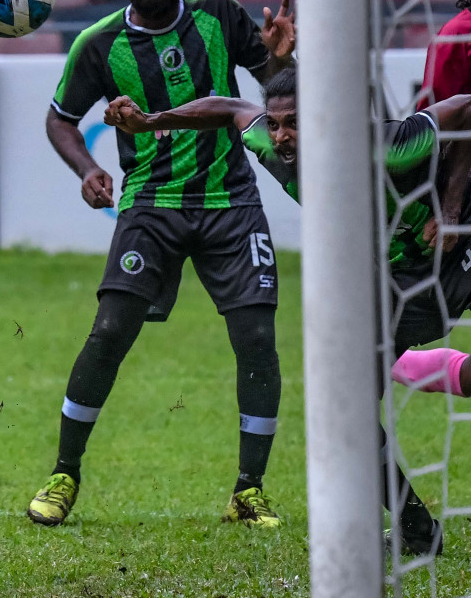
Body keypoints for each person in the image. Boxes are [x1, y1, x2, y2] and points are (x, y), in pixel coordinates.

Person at [104, 68, 471, 556]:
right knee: (346, 403)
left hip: (460, 251)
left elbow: (467, 107)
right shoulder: (273, 146)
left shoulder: (393, 144)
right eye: (275, 125)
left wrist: (449, 210)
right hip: (402, 282)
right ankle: (417, 529)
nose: (281, 136)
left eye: (294, 122)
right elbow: (231, 109)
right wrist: (150, 122)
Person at [26, 0, 295, 530]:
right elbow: (60, 119)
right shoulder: (97, 45)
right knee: (111, 330)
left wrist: (281, 60)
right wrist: (88, 170)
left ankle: (247, 492)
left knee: (256, 339)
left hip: (231, 200)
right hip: (150, 205)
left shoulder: (221, 14)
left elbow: (278, 99)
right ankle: (65, 472)